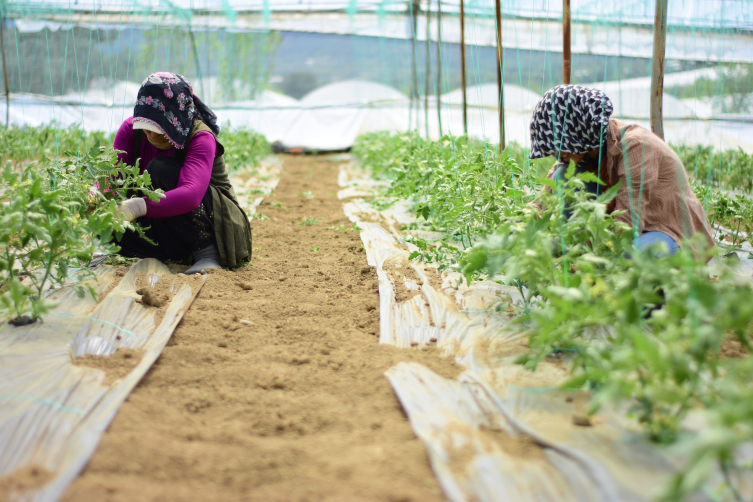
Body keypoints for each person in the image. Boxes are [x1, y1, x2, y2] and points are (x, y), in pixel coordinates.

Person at [529, 84, 714, 255]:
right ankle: (575, 243)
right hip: (626, 228)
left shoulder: (637, 148)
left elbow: (626, 224)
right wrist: (520, 226)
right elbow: (542, 202)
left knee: (629, 255)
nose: (558, 156)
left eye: (559, 149)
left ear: (578, 136)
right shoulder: (581, 152)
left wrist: (579, 252)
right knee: (563, 176)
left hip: (666, 230)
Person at [111, 72, 252, 274]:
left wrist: (136, 206)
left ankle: (207, 253)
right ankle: (173, 255)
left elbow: (191, 195)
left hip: (217, 226)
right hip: (168, 227)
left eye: (158, 127)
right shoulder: (130, 130)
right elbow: (115, 179)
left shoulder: (200, 136)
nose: (150, 134)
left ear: (175, 118)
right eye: (146, 126)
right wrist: (94, 197)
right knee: (109, 227)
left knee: (159, 169)